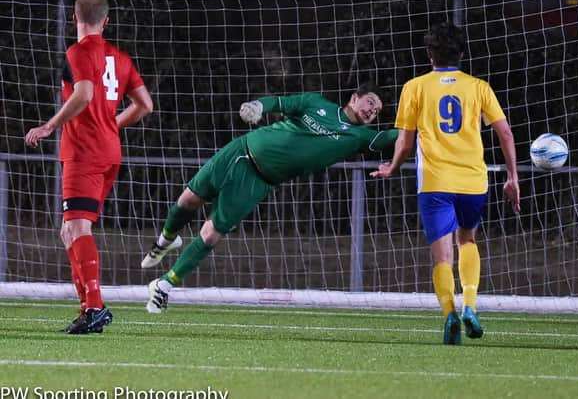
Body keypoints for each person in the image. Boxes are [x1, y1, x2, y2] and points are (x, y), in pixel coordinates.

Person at [141, 83, 397, 313]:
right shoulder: (316, 103)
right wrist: (257, 106)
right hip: (242, 148)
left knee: (211, 233)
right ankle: (165, 241)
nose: (372, 111)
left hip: (258, 179)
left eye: (377, 111)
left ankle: (164, 284)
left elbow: (392, 137)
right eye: (370, 103)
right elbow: (280, 102)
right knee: (188, 200)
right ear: (355, 97)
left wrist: (419, 122)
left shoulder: (361, 137)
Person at [371, 23, 520, 345]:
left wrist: (392, 168)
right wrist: (512, 177)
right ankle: (470, 304)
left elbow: (405, 142)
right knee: (467, 241)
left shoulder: (415, 87)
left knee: (442, 257)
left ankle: (449, 313)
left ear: (429, 54)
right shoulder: (478, 87)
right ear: (462, 53)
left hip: (435, 182)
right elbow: (505, 133)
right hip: (472, 180)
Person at [25, 0, 153, 334]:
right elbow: (144, 105)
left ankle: (95, 307)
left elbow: (83, 94)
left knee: (77, 228)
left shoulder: (78, 51)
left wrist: (50, 125)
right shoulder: (120, 57)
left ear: (73, 18)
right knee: (70, 231)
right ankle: (88, 309)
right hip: (109, 152)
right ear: (106, 20)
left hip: (84, 153)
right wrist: (112, 124)